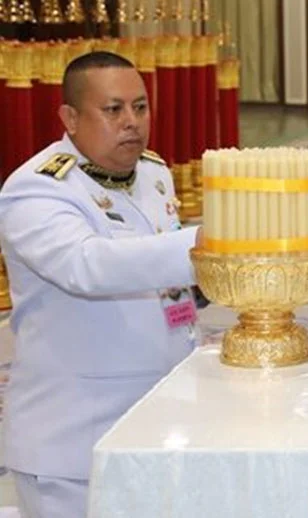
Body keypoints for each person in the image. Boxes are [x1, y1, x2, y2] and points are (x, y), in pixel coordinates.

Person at [0, 51, 201, 517]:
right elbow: (87, 266)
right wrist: (201, 247)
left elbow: (157, 267)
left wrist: (202, 285)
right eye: (113, 110)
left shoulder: (153, 175)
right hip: (75, 436)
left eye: (140, 107)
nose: (131, 122)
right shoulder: (36, 189)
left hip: (159, 417)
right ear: (69, 118)